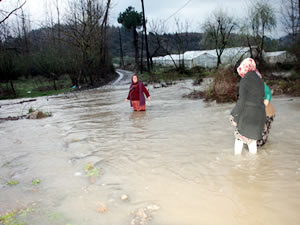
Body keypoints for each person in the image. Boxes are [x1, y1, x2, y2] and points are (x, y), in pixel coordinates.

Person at [229, 58, 266, 155]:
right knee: (252, 141)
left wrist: (234, 117)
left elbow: (242, 101)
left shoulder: (245, 80)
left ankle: (237, 163)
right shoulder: (260, 80)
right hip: (259, 115)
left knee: (239, 139)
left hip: (248, 115)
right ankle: (254, 166)